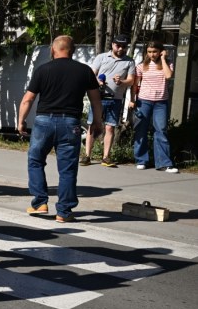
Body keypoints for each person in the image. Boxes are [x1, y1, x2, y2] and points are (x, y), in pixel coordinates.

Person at [17, 35, 102, 223]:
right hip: (70, 124)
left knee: (35, 161)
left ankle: (40, 202)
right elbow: (96, 100)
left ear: (53, 50)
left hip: (43, 122)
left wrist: (21, 121)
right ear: (73, 51)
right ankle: (63, 212)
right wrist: (97, 122)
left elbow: (28, 99)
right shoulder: (85, 71)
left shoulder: (43, 70)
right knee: (68, 169)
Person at [80, 34, 135, 167]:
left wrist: (121, 81)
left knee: (110, 128)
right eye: (118, 46)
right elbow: (92, 74)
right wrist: (98, 81)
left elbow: (131, 81)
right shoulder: (102, 57)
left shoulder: (129, 61)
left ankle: (106, 157)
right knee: (92, 126)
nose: (120, 49)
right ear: (112, 45)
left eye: (123, 46)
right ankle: (87, 156)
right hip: (98, 98)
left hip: (115, 99)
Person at [133, 40, 178, 174]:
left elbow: (168, 76)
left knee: (161, 131)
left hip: (161, 103)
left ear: (160, 51)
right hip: (144, 101)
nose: (152, 54)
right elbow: (135, 85)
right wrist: (133, 100)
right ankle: (141, 160)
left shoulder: (167, 63)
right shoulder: (142, 66)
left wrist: (163, 59)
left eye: (155, 52)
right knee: (141, 130)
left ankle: (164, 163)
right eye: (149, 52)